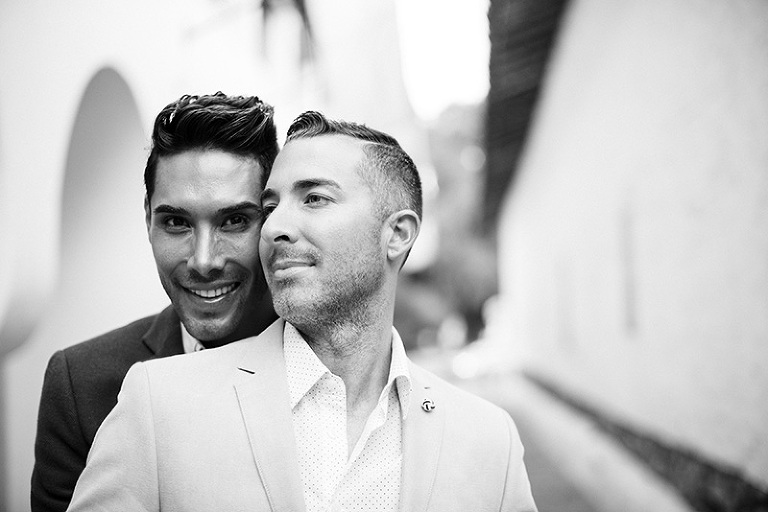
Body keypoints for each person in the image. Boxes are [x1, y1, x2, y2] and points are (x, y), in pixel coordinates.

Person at [66, 111, 538, 511]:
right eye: (269, 207)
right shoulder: (157, 402)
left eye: (314, 198)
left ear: (397, 234)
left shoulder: (490, 442)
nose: (274, 229)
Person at [31, 92, 279, 512]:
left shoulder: (330, 365)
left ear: (273, 220)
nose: (203, 261)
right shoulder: (80, 384)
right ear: (148, 219)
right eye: (177, 223)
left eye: (234, 220)